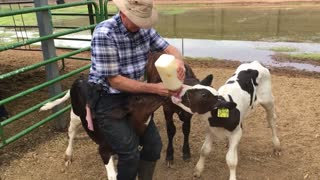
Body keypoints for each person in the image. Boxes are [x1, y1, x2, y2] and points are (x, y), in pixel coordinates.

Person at [88, 0, 185, 179]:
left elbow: (169, 48)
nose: (141, 26)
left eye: (144, 21)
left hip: (136, 94)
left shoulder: (144, 29)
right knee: (129, 153)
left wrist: (178, 60)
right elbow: (115, 81)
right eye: (137, 21)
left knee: (153, 146)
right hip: (108, 97)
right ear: (123, 14)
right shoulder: (105, 33)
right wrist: (154, 88)